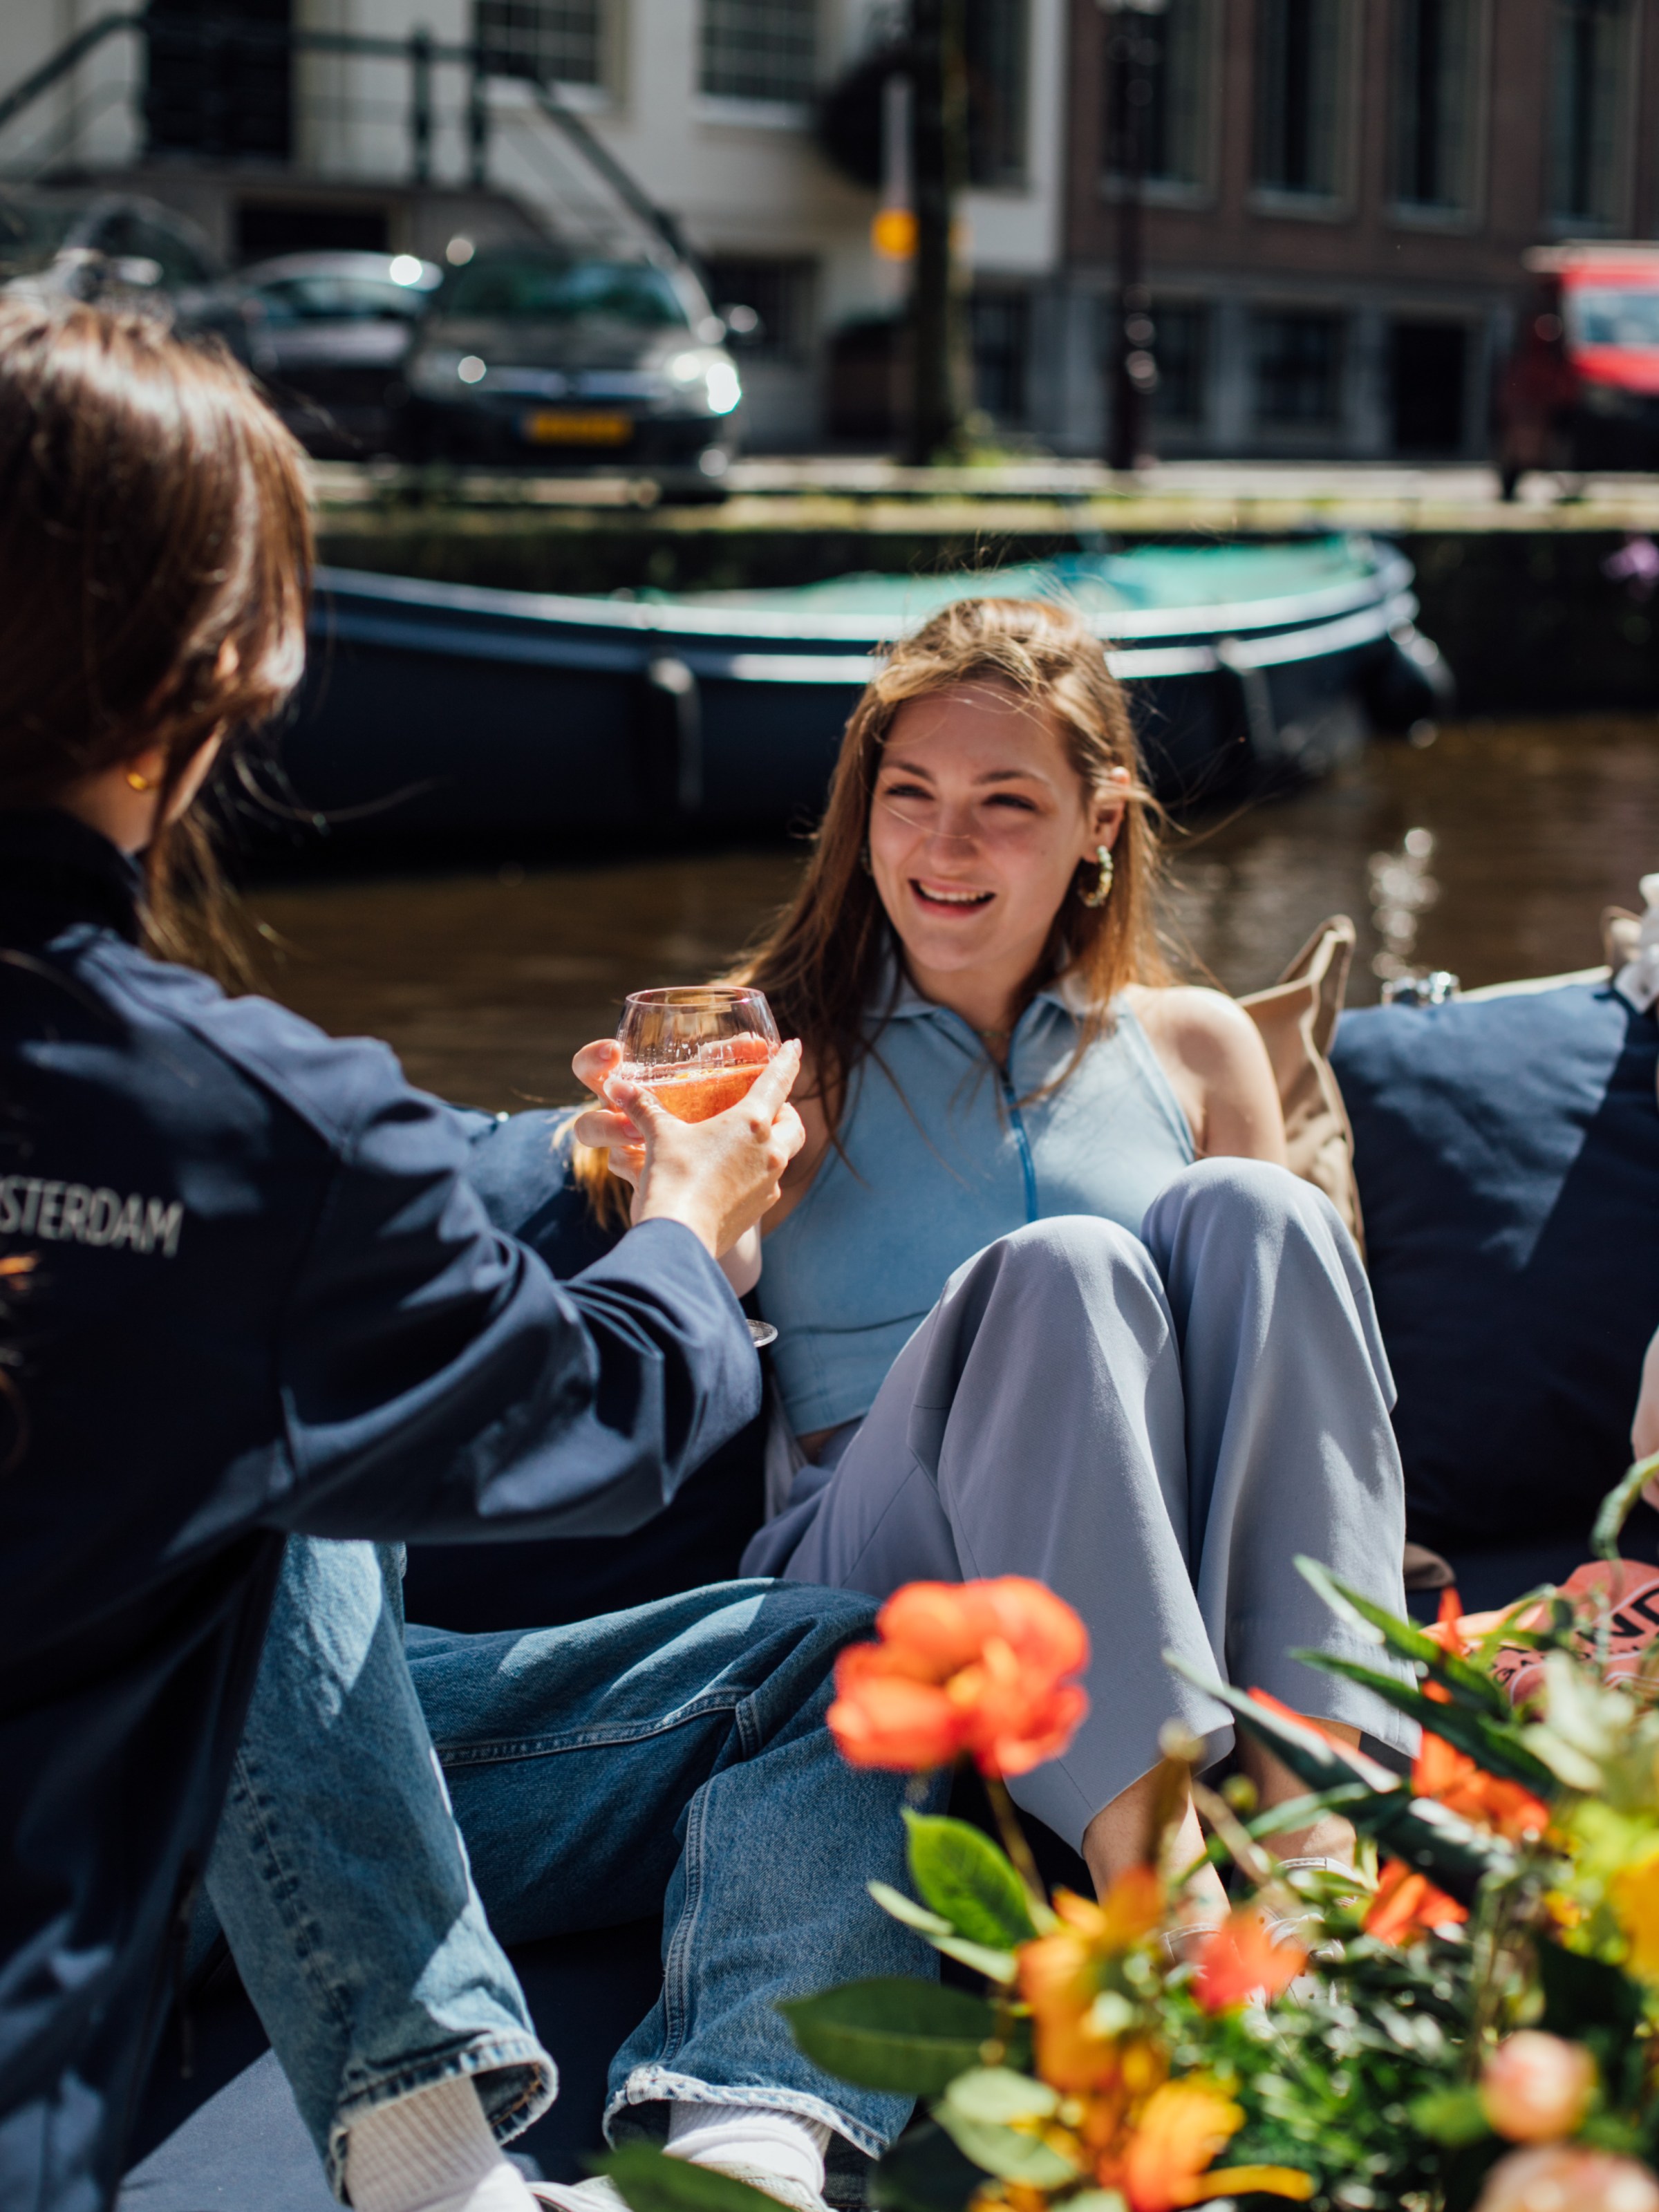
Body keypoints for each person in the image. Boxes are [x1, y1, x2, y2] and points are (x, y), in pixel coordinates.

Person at [0, 296, 938, 2212]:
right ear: (233, 668)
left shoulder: (283, 1156)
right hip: (68, 1994)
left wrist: (556, 1180)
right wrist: (690, 1221)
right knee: (273, 1448)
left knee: (842, 1665)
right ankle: (436, 2157)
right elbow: (597, 1420)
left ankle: (738, 2136)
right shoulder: (260, 1144)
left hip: (205, 1822)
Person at [574, 596, 1416, 1927]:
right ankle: (1169, 1908)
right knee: (1065, 1266)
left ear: (1101, 822)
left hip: (1163, 1560)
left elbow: (1277, 1385)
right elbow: (694, 1323)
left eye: (1005, 803)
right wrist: (662, 1181)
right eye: (908, 794)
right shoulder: (785, 1065)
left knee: (1267, 1211)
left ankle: (1324, 1847)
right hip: (876, 1562)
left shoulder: (1198, 1046)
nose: (943, 844)